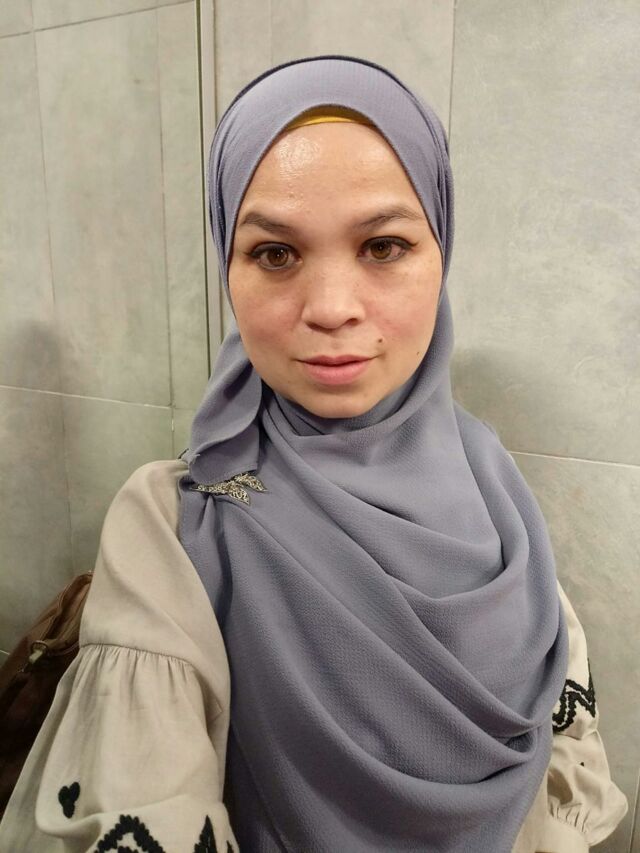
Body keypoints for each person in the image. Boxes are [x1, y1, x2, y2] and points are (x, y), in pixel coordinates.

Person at [0, 54, 628, 853]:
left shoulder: (495, 491)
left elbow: (562, 768)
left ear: (442, 252)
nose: (331, 308)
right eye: (275, 254)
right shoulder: (175, 526)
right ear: (228, 266)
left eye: (384, 246)